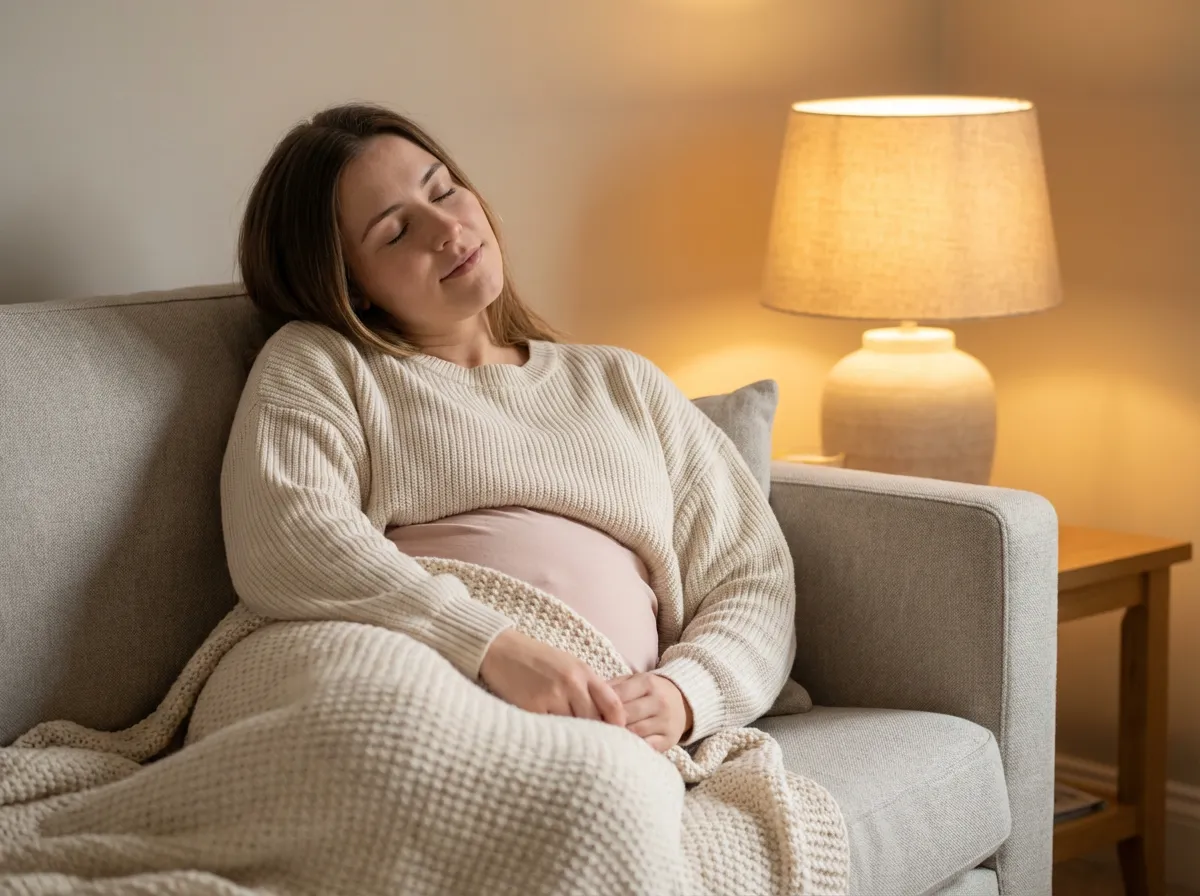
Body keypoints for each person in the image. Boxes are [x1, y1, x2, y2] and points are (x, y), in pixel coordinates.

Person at [222, 102, 797, 756]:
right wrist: (490, 644)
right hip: (400, 672)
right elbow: (287, 535)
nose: (447, 228)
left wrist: (685, 694)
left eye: (443, 190)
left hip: (602, 727)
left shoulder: (623, 382)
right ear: (349, 285)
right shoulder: (322, 363)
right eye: (396, 231)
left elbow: (752, 574)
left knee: (599, 782)